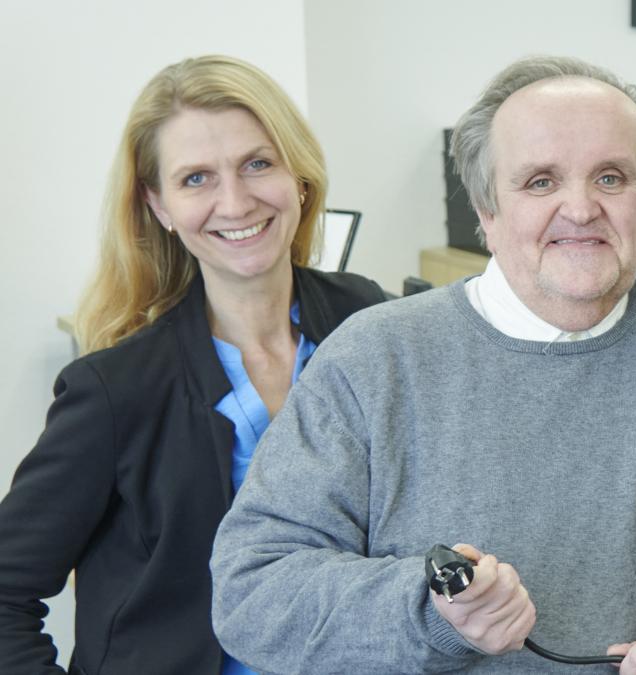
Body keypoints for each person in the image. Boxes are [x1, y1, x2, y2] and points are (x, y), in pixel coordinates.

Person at [209, 55, 636, 674]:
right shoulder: (373, 359)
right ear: (486, 214)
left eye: (612, 178)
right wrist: (430, 615)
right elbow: (252, 593)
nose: (582, 208)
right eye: (540, 182)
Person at [0, 55, 386, 674]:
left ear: (299, 177)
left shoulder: (366, 322)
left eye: (257, 164)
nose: (235, 202)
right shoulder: (113, 389)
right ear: (159, 207)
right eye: (196, 179)